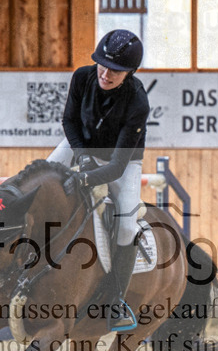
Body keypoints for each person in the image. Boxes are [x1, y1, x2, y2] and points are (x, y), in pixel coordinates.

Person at [47, 29, 149, 332]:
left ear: (129, 72)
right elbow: (69, 121)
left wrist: (86, 178)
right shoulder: (82, 77)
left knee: (128, 222)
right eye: (102, 65)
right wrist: (82, 157)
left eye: (115, 70)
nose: (106, 73)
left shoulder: (137, 101)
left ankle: (115, 298)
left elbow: (117, 166)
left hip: (123, 160)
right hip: (82, 147)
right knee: (42, 181)